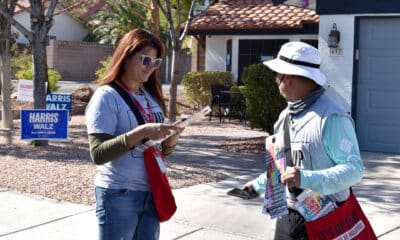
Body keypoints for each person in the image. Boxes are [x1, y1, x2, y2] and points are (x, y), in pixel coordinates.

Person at [242, 42, 364, 239]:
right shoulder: (284, 117)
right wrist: (257, 186)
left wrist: (304, 178)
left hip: (326, 220)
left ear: (288, 77)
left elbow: (354, 170)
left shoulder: (331, 118)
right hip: (288, 218)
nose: (275, 80)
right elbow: (281, 168)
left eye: (277, 74)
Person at [85, 28, 183, 240]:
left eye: (156, 63)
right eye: (146, 60)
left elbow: (158, 152)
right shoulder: (106, 96)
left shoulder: (150, 96)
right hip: (119, 193)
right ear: (127, 56)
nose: (151, 68)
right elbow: (98, 154)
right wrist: (141, 132)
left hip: (151, 190)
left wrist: (171, 140)